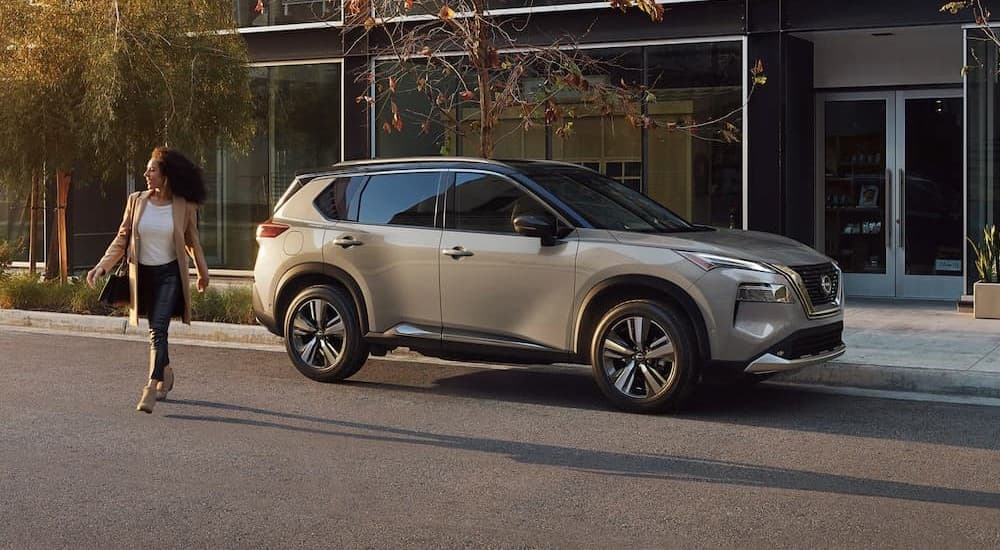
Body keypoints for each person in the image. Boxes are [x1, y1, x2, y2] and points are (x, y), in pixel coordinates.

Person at [86, 146, 210, 413]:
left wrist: (202, 273)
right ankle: (166, 370)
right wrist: (101, 267)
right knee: (156, 331)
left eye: (151, 169)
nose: (146, 174)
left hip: (169, 275)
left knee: (159, 329)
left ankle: (151, 385)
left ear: (165, 175)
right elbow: (122, 240)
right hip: (143, 275)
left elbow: (192, 243)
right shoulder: (136, 200)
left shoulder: (183, 206)